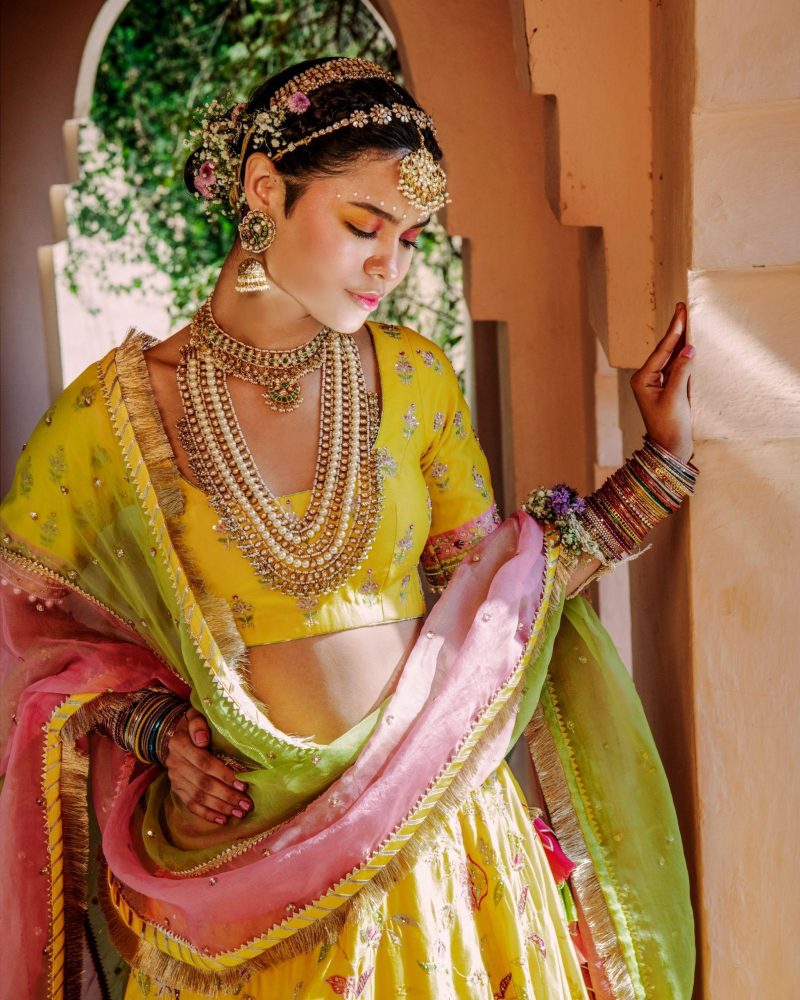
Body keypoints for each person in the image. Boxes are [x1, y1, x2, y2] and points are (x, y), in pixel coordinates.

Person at [0, 56, 698, 999]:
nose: (390, 264)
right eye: (363, 225)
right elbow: (41, 643)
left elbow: (498, 597)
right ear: (262, 190)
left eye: (409, 237)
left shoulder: (413, 378)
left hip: (440, 844)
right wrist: (159, 728)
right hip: (246, 879)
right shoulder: (111, 423)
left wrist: (657, 467)